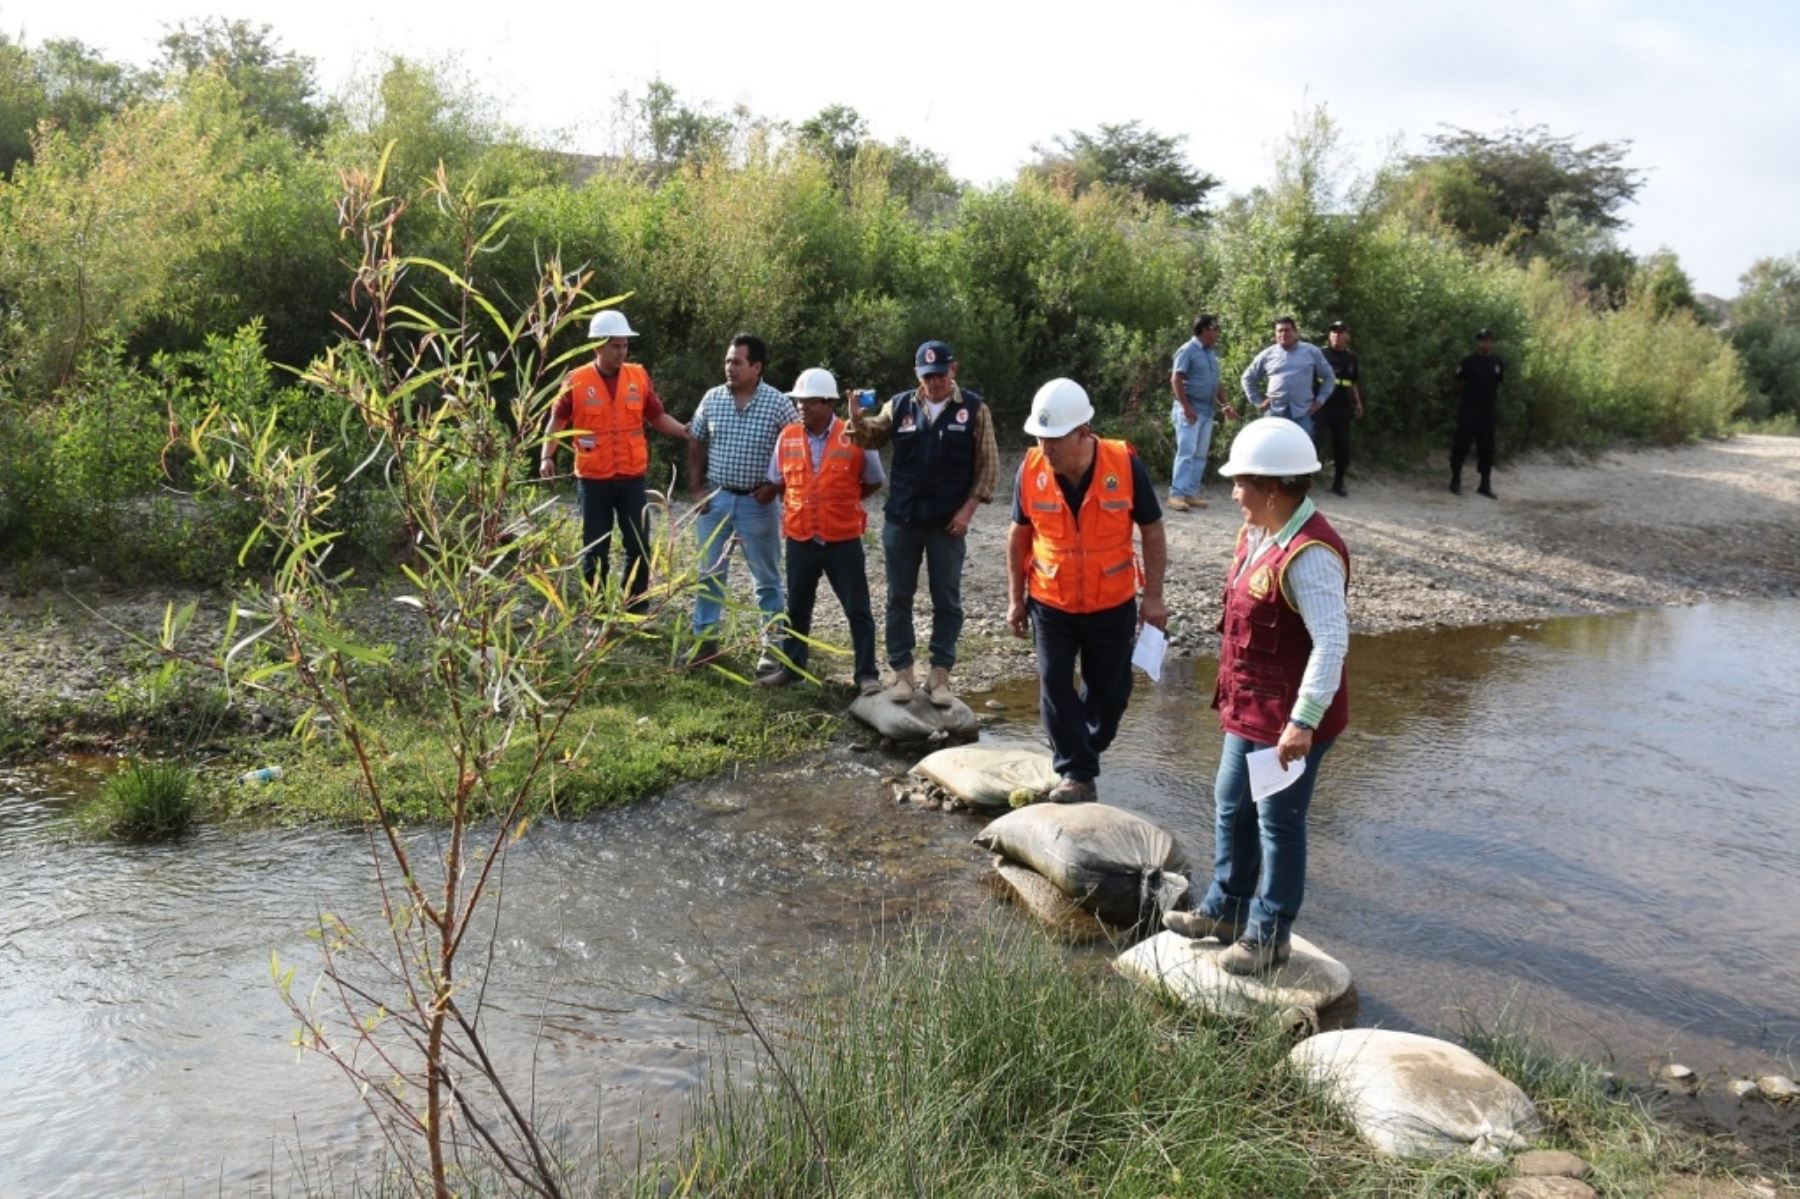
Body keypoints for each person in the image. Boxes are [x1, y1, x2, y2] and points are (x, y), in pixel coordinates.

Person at [1164, 417, 1350, 976]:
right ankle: (1225, 911)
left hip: (1289, 721)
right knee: (1231, 805)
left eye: (1241, 482)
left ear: (1272, 486)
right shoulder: (1258, 535)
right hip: (1247, 708)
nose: (1233, 492)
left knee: (1277, 822)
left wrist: (1303, 721)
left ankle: (1270, 935)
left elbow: (1332, 641)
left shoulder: (1312, 552)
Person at [1006, 379, 1168, 804]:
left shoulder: (1125, 465)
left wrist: (1153, 596)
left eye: (1054, 438)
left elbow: (1152, 530)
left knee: (1110, 695)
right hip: (1050, 600)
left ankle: (1083, 752)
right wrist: (1015, 598)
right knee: (1054, 681)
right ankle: (1076, 773)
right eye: (1040, 438)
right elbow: (1018, 536)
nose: (1046, 448)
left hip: (1111, 603)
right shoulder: (1031, 469)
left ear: (1083, 432)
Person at [847, 339, 999, 707]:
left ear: (953, 369)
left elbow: (988, 469)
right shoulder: (899, 405)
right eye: (927, 376)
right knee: (898, 597)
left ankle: (940, 675)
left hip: (948, 523)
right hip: (903, 518)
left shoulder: (975, 409)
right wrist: (854, 415)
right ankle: (902, 673)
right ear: (919, 375)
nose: (934, 383)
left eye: (940, 374)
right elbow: (869, 436)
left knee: (946, 598)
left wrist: (966, 513)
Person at [540, 309, 691, 609]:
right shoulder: (576, 380)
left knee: (639, 545)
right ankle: (594, 610)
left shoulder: (638, 376)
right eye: (615, 346)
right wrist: (547, 456)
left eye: (624, 345)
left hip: (632, 479)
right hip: (593, 481)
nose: (621, 352)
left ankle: (635, 607)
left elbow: (657, 417)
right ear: (597, 346)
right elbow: (556, 422)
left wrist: (686, 432)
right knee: (595, 548)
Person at [758, 368, 885, 696]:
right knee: (797, 607)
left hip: (842, 538)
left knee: (857, 609)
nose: (802, 408)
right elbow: (778, 479)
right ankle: (792, 668)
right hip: (801, 538)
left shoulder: (855, 433)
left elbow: (873, 479)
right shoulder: (787, 437)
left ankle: (867, 675)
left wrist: (841, 501)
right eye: (799, 402)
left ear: (829, 404)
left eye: (809, 403)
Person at [685, 333, 798, 671]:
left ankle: (773, 647)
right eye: (727, 360)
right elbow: (695, 440)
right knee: (709, 572)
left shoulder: (778, 404)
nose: (729, 367)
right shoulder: (713, 398)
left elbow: (796, 450)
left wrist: (776, 486)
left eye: (737, 362)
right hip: (716, 500)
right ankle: (704, 643)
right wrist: (696, 490)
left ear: (757, 366)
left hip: (757, 502)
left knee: (765, 577)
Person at [1168, 313, 1239, 511]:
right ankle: (1176, 494)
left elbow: (1215, 383)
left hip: (1207, 411)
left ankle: (1190, 493)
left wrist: (1225, 405)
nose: (1218, 333)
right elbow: (1176, 379)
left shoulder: (1210, 353)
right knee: (1186, 453)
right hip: (1189, 410)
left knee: (1200, 455)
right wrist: (1187, 408)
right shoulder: (1187, 350)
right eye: (1215, 329)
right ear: (1205, 329)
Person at [1241, 316, 1336, 437]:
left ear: (1295, 332)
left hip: (1302, 413)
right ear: (1275, 334)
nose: (1283, 334)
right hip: (1274, 412)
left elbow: (1329, 377)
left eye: (1287, 330)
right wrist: (1257, 401)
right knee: (1271, 449)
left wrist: (1320, 401)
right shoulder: (1267, 354)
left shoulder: (1311, 352)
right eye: (1279, 331)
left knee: (1301, 451)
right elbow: (1247, 378)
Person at [1450, 328, 1505, 498]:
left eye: (1487, 340)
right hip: (1469, 410)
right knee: (1461, 444)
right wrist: (1466, 401)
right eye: (1481, 340)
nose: (1484, 343)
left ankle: (1485, 484)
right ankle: (1455, 480)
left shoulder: (1498, 363)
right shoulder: (1468, 361)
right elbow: (1458, 381)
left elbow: (1499, 383)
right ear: (1478, 342)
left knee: (1487, 448)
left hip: (1487, 412)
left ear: (1492, 342)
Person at [1317, 319, 1364, 498]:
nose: (1337, 335)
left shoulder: (1351, 358)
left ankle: (1339, 482)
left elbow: (1353, 382)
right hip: (1321, 405)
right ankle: (1304, 480)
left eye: (1341, 332)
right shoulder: (1320, 354)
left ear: (1348, 336)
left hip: (1342, 407)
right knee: (1315, 442)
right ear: (1329, 335)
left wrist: (1358, 403)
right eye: (1334, 331)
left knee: (1342, 446)